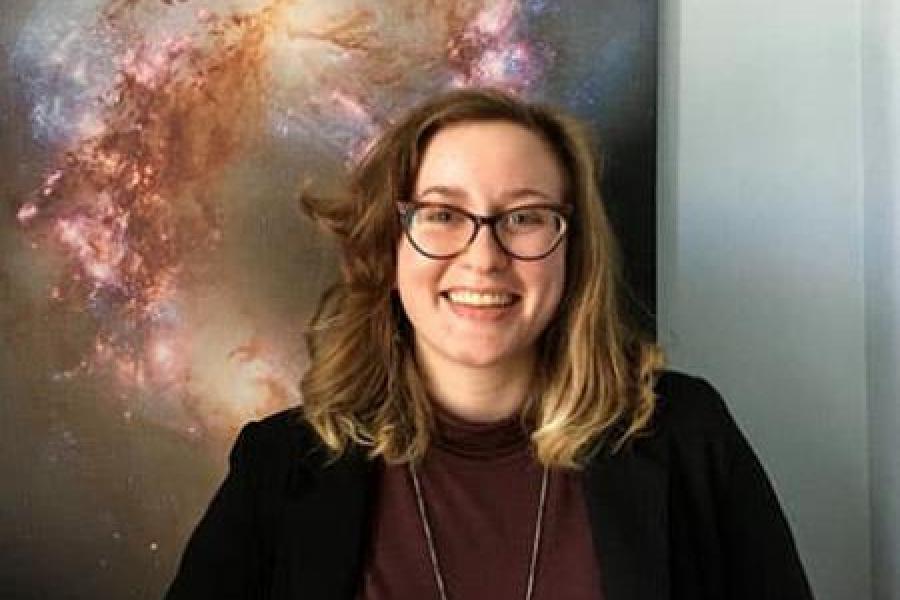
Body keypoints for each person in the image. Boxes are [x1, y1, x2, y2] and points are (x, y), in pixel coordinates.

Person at [165, 88, 814, 600]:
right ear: (389, 247)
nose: (483, 259)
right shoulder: (279, 465)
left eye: (526, 217)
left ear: (572, 251)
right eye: (443, 215)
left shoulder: (687, 436)